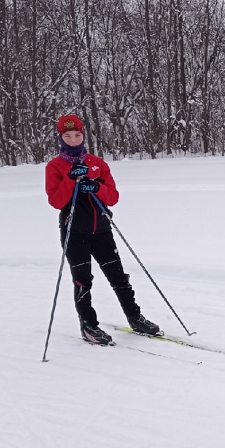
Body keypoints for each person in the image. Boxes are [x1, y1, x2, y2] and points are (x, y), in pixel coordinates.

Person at [45, 114, 162, 346]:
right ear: (60, 138)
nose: (73, 140)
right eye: (67, 136)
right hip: (74, 231)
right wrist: (71, 179)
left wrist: (95, 186)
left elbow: (113, 197)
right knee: (83, 280)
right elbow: (56, 201)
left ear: (83, 135)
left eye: (77, 135)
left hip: (101, 230)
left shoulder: (97, 163)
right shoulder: (54, 166)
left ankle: (135, 317)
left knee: (118, 276)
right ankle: (88, 325)